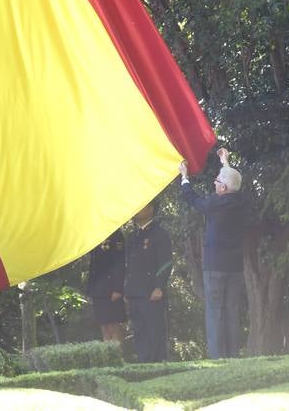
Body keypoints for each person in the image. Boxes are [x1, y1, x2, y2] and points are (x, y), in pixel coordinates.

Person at [180, 147, 246, 359]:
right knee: (232, 312)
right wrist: (225, 163)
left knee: (215, 312)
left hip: (215, 267)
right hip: (235, 267)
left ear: (223, 187)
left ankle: (218, 358)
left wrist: (184, 178)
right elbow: (233, 182)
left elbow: (194, 200)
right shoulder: (240, 201)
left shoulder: (216, 203)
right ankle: (233, 356)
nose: (214, 182)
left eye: (217, 181)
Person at [124, 200, 172, 362]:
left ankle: (158, 367)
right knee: (139, 333)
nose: (137, 209)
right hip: (134, 293)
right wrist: (126, 289)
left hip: (151, 292)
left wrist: (159, 287)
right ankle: (144, 366)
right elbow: (128, 266)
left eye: (142, 205)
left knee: (155, 333)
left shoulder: (159, 234)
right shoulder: (132, 236)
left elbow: (165, 263)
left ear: (151, 209)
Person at [87, 228, 126, 345]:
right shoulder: (95, 232)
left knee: (113, 325)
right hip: (98, 289)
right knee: (103, 325)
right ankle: (108, 356)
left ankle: (117, 356)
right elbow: (93, 263)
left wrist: (118, 288)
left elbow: (120, 262)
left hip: (111, 288)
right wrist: (90, 289)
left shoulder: (116, 233)